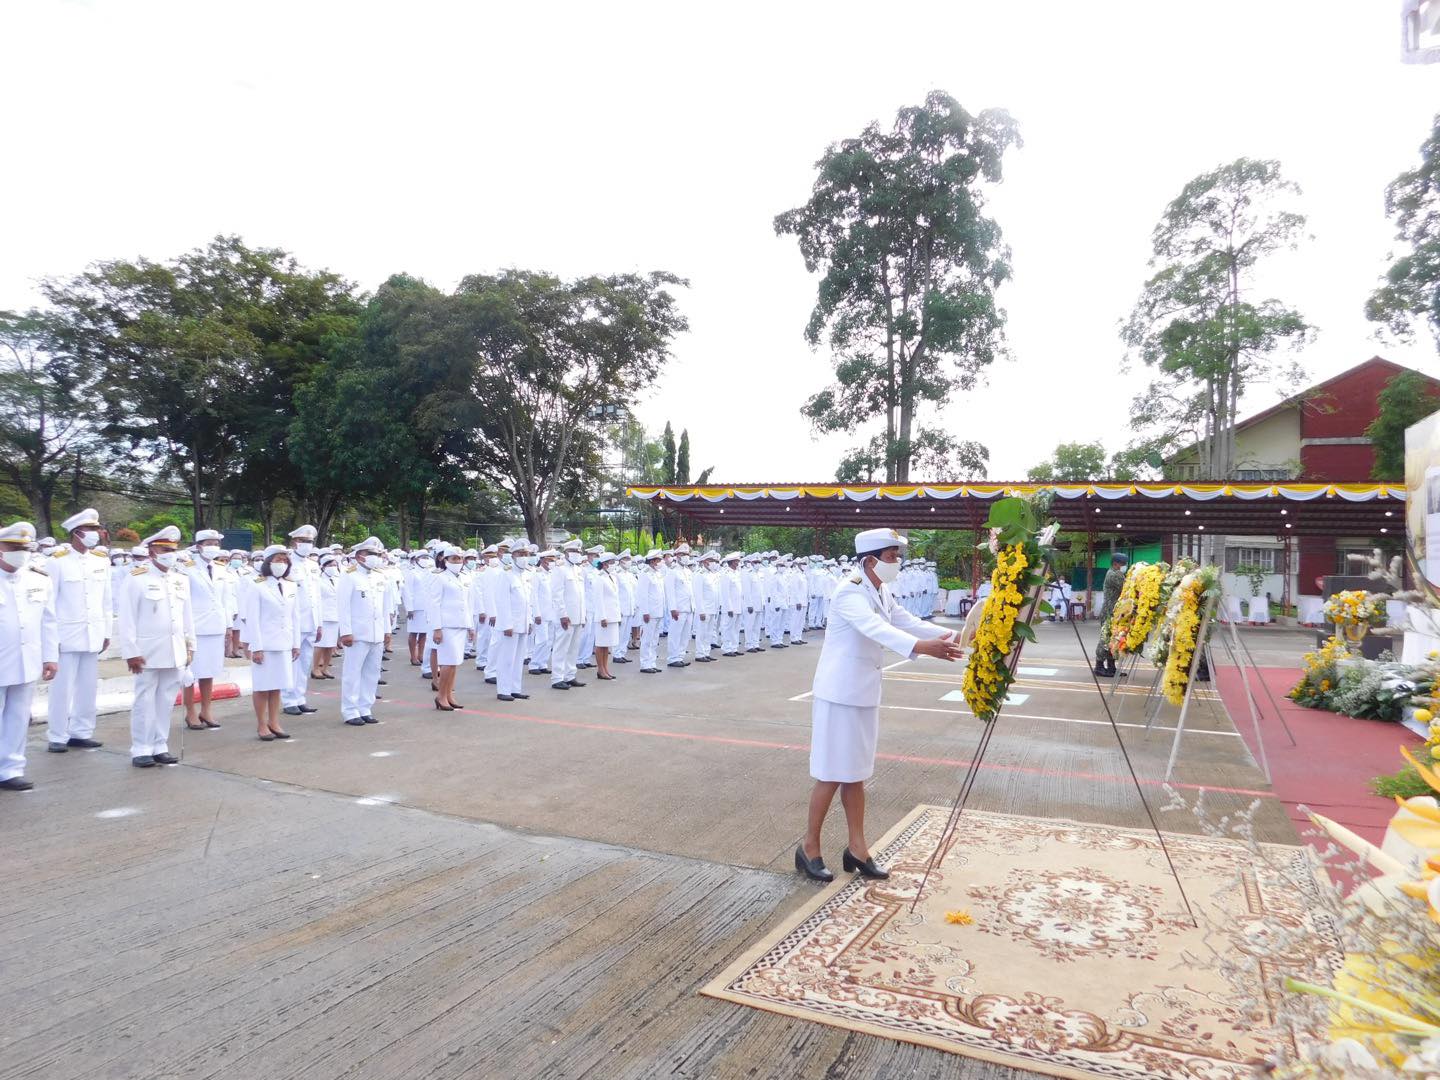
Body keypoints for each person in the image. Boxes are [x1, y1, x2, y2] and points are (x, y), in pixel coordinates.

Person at [797, 528, 964, 883]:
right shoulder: (850, 591)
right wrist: (921, 648)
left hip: (862, 692)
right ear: (870, 560)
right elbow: (874, 628)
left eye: (898, 556)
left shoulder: (881, 590)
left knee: (856, 773)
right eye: (892, 556)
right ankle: (809, 847)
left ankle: (857, 849)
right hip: (839, 694)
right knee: (830, 774)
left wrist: (953, 636)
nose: (897, 563)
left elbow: (907, 621)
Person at [115, 526, 195, 769]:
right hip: (146, 652)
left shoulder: (181, 579)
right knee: (144, 700)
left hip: (175, 650)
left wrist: (191, 646)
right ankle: (141, 748)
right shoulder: (137, 578)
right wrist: (131, 651)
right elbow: (127, 618)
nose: (170, 553)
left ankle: (160, 745)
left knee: (166, 700)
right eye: (164, 549)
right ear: (151, 551)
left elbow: (187, 616)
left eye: (172, 549)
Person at [46, 508, 112, 754]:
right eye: (91, 530)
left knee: (88, 687)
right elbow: (49, 604)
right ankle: (57, 735)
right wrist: (51, 639)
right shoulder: (57, 561)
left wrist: (106, 631)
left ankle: (81, 732)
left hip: (92, 633)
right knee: (62, 688)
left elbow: (106, 600)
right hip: (66, 635)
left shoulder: (100, 561)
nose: (96, 534)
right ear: (77, 532)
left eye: (97, 529)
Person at [0, 522, 58, 790]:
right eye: (13, 547)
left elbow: (48, 621)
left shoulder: (39, 579)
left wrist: (50, 657)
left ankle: (11, 769)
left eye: (24, 548)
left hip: (27, 659)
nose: (19, 552)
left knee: (18, 716)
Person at [240, 545, 300, 740]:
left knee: (277, 685)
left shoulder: (291, 585)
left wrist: (296, 643)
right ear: (268, 563)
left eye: (285, 561)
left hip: (284, 642)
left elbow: (295, 617)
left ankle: (274, 722)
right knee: (262, 686)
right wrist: (256, 647)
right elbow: (253, 618)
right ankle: (262, 724)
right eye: (277, 560)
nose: (281, 564)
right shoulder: (257, 585)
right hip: (264, 644)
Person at [182, 528, 236, 731]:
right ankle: (190, 712)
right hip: (195, 627)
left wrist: (228, 625)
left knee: (209, 672)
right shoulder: (187, 568)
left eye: (216, 544)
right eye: (209, 543)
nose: (213, 547)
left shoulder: (221, 568)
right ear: (198, 546)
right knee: (190, 673)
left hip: (215, 626)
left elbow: (226, 600)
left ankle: (206, 710)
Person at [337, 537, 393, 727]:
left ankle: (365, 708)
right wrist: (345, 632)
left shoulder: (379, 576)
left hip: (376, 633)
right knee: (352, 673)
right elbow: (343, 607)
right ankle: (350, 710)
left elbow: (384, 607)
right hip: (357, 634)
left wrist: (387, 630)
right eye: (372, 554)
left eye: (378, 554)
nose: (376, 558)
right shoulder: (349, 575)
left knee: (372, 673)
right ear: (360, 556)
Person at [282, 525, 323, 717]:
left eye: (310, 542)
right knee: (292, 662)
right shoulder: (285, 563)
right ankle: (288, 699)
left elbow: (317, 597)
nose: (307, 545)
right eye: (303, 541)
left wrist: (320, 623)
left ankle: (300, 698)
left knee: (305, 663)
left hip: (311, 621)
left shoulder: (313, 566)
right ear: (294, 542)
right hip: (294, 622)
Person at [429, 544, 473, 710]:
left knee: (454, 663)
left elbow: (467, 604)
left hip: (460, 624)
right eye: (454, 558)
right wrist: (437, 628)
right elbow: (434, 604)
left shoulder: (462, 578)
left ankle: (449, 694)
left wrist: (470, 627)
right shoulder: (440, 578)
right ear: (445, 560)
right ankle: (441, 696)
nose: (458, 561)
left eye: (460, 558)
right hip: (447, 626)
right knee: (447, 663)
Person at [492, 543, 532, 702]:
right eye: (521, 553)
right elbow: (502, 601)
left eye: (526, 554)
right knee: (507, 658)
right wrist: (507, 624)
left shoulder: (524, 575)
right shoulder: (506, 574)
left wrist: (528, 621)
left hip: (522, 623)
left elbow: (527, 601)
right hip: (510, 624)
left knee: (519, 658)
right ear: (513, 555)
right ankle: (503, 690)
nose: (524, 557)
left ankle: (515, 688)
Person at [550, 539, 587, 690]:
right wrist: (563, 615)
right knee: (561, 647)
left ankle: (570, 675)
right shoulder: (560, 570)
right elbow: (557, 595)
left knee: (574, 648)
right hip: (566, 617)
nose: (576, 554)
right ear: (566, 553)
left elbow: (581, 595)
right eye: (573, 551)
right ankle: (557, 677)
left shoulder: (578, 570)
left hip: (577, 616)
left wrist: (583, 615)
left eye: (578, 552)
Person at [1093, 552, 1130, 678]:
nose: (1125, 566)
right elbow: (1127, 588)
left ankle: (1111, 667)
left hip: (1115, 612)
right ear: (1115, 563)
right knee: (1106, 639)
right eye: (1123, 564)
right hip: (1110, 612)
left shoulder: (1116, 573)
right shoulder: (1114, 575)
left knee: (1114, 639)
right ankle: (1099, 666)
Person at [592, 551, 621, 680]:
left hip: (612, 615)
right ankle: (600, 670)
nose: (613, 565)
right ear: (604, 564)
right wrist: (602, 616)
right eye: (611, 562)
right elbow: (598, 599)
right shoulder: (599, 578)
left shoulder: (612, 577)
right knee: (601, 644)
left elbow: (615, 598)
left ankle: (605, 669)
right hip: (604, 617)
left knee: (607, 645)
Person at [664, 542, 694, 668]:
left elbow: (690, 591)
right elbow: (670, 591)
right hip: (679, 609)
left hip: (689, 608)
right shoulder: (672, 571)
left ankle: (680, 656)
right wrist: (673, 608)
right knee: (675, 634)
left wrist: (694, 606)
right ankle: (673, 658)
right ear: (677, 556)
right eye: (684, 554)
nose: (687, 556)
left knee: (685, 634)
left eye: (688, 554)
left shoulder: (687, 571)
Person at [312, 552, 341, 679]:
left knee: (330, 645)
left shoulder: (338, 579)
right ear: (323, 567)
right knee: (320, 645)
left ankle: (325, 668)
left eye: (335, 565)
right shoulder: (317, 581)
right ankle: (315, 668)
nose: (333, 567)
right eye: (330, 565)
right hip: (323, 616)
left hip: (335, 615)